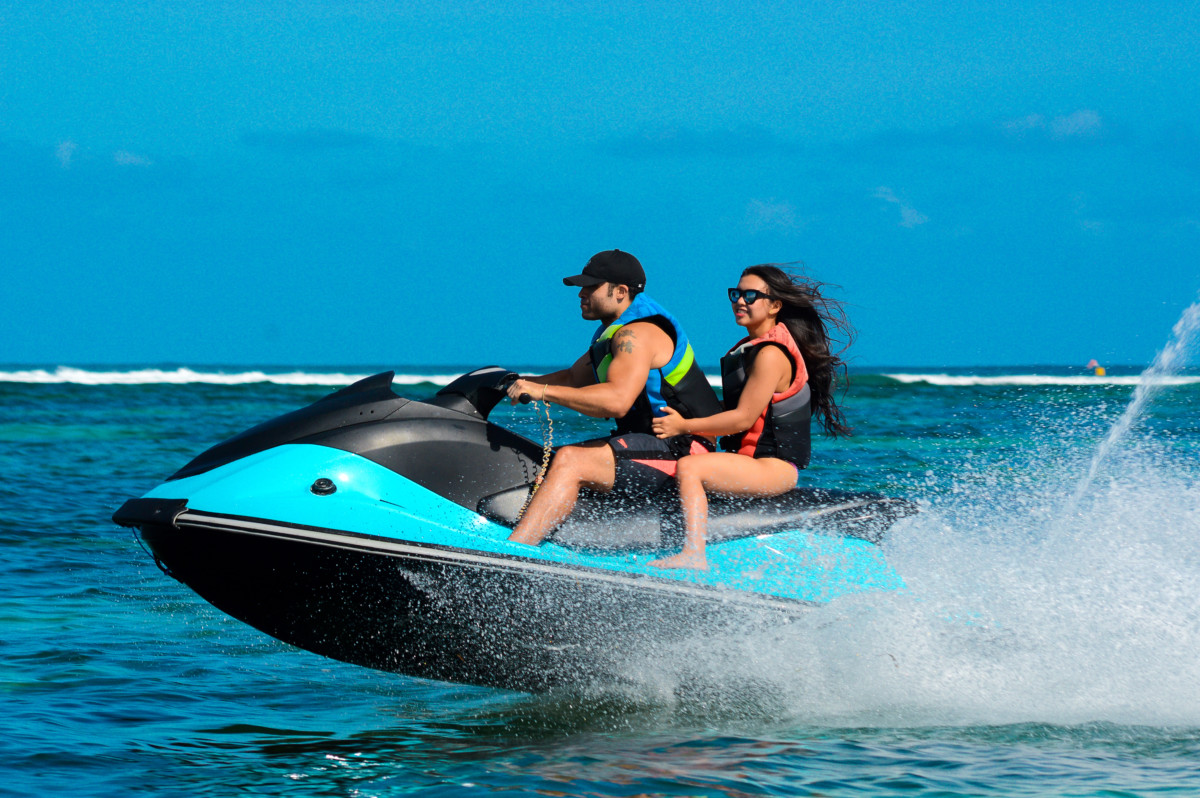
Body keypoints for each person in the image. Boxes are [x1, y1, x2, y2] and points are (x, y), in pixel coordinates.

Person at [505, 250, 723, 546]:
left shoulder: (638, 334)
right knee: (551, 459)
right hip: (652, 442)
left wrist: (542, 392)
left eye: (590, 287)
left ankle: (516, 553)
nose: (581, 293)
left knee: (571, 462)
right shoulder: (612, 333)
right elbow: (572, 378)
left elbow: (616, 400)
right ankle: (561, 545)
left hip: (682, 448)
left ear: (620, 292)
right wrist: (514, 383)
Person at [649, 264, 854, 570]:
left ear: (775, 305)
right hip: (752, 463)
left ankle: (694, 554)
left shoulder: (771, 354)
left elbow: (743, 419)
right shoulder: (752, 349)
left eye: (751, 295)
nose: (740, 301)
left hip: (772, 467)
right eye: (736, 294)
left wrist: (683, 425)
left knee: (690, 467)